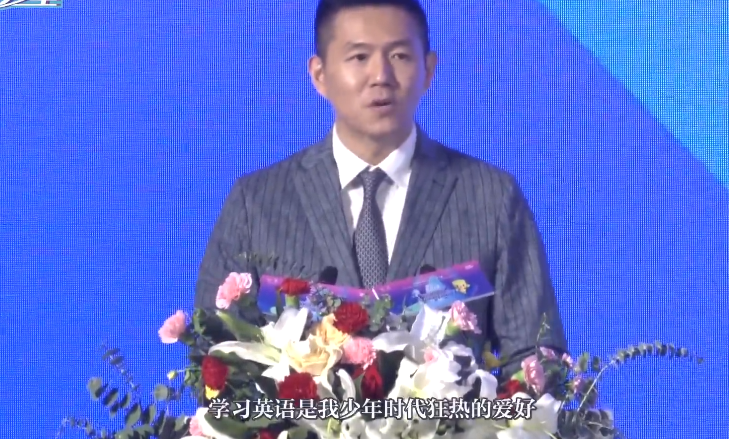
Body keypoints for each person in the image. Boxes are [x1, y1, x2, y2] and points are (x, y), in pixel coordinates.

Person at [195, 0, 567, 377]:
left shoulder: (491, 197)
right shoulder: (257, 202)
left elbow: (535, 358)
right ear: (320, 75)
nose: (381, 75)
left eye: (400, 56)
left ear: (428, 70)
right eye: (359, 57)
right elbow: (215, 357)